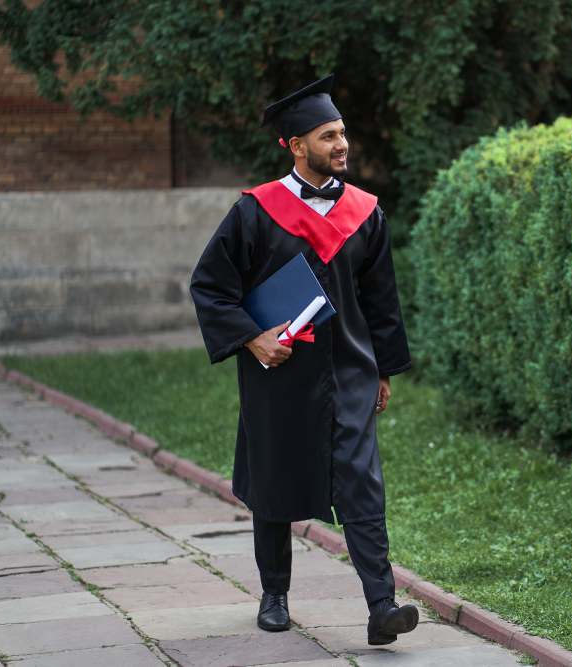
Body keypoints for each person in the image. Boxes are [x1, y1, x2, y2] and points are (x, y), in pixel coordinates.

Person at [189, 73, 418, 646]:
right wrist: (251, 337)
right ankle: (274, 594)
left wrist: (383, 369)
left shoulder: (366, 212)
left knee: (363, 484)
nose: (341, 145)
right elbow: (210, 287)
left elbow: (380, 301)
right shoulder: (254, 212)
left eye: (342, 133)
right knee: (275, 478)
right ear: (295, 145)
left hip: (349, 372)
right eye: (327, 136)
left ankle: (381, 605)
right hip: (280, 370)